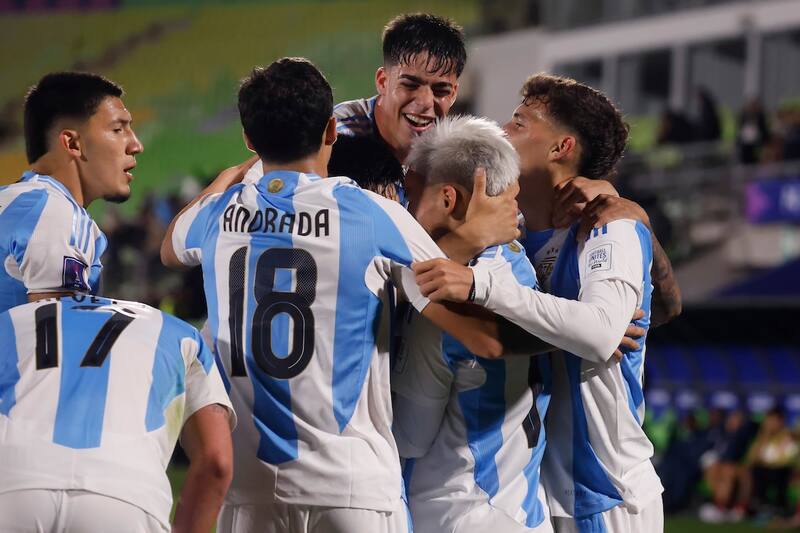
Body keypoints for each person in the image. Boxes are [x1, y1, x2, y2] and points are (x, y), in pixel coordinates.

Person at [160, 58, 513, 533]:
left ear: (249, 139)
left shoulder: (218, 214)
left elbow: (168, 249)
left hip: (251, 492)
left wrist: (233, 173)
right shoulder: (369, 213)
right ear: (331, 129)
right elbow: (476, 330)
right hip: (353, 487)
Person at [413, 74, 666, 532]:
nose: (503, 130)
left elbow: (600, 332)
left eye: (519, 122)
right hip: (540, 493)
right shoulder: (520, 238)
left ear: (560, 148)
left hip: (604, 493)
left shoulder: (608, 225)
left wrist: (479, 286)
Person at [242, 13, 520, 264]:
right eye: (410, 85)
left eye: (441, 90)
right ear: (383, 81)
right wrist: (470, 239)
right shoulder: (333, 134)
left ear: (455, 92)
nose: (425, 102)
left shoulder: (451, 146)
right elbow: (257, 175)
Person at [393, 115, 554, 532]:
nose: (400, 205)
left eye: (409, 192)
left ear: (449, 199)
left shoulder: (443, 303)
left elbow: (410, 435)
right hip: (521, 508)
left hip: (454, 511)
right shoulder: (517, 266)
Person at [0, 293, 235, 532]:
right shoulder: (179, 332)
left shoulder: (8, 321)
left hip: (13, 484)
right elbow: (217, 462)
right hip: (128, 497)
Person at [0, 72, 143, 312]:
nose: (136, 145)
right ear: (73, 144)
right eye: (118, 129)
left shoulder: (16, 201)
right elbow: (56, 339)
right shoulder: (56, 213)